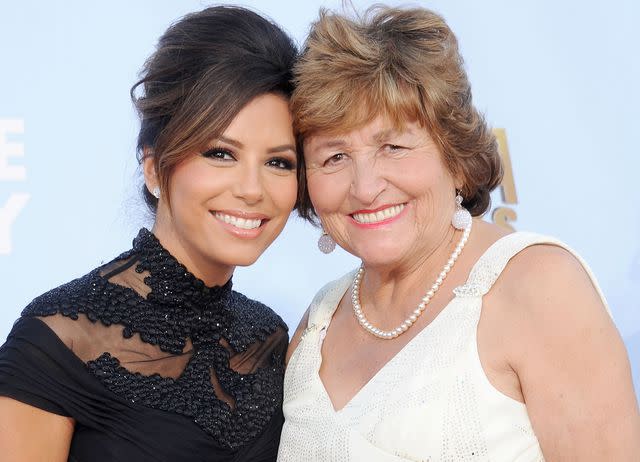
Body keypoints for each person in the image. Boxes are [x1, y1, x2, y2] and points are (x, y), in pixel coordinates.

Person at [278, 6, 640, 461]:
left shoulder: (537, 286)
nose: (365, 187)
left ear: (455, 155)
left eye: (393, 146)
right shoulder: (317, 324)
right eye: (334, 157)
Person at [0, 6, 298, 462]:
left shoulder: (271, 339)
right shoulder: (59, 341)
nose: (252, 190)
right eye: (220, 153)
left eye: (278, 162)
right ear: (155, 166)